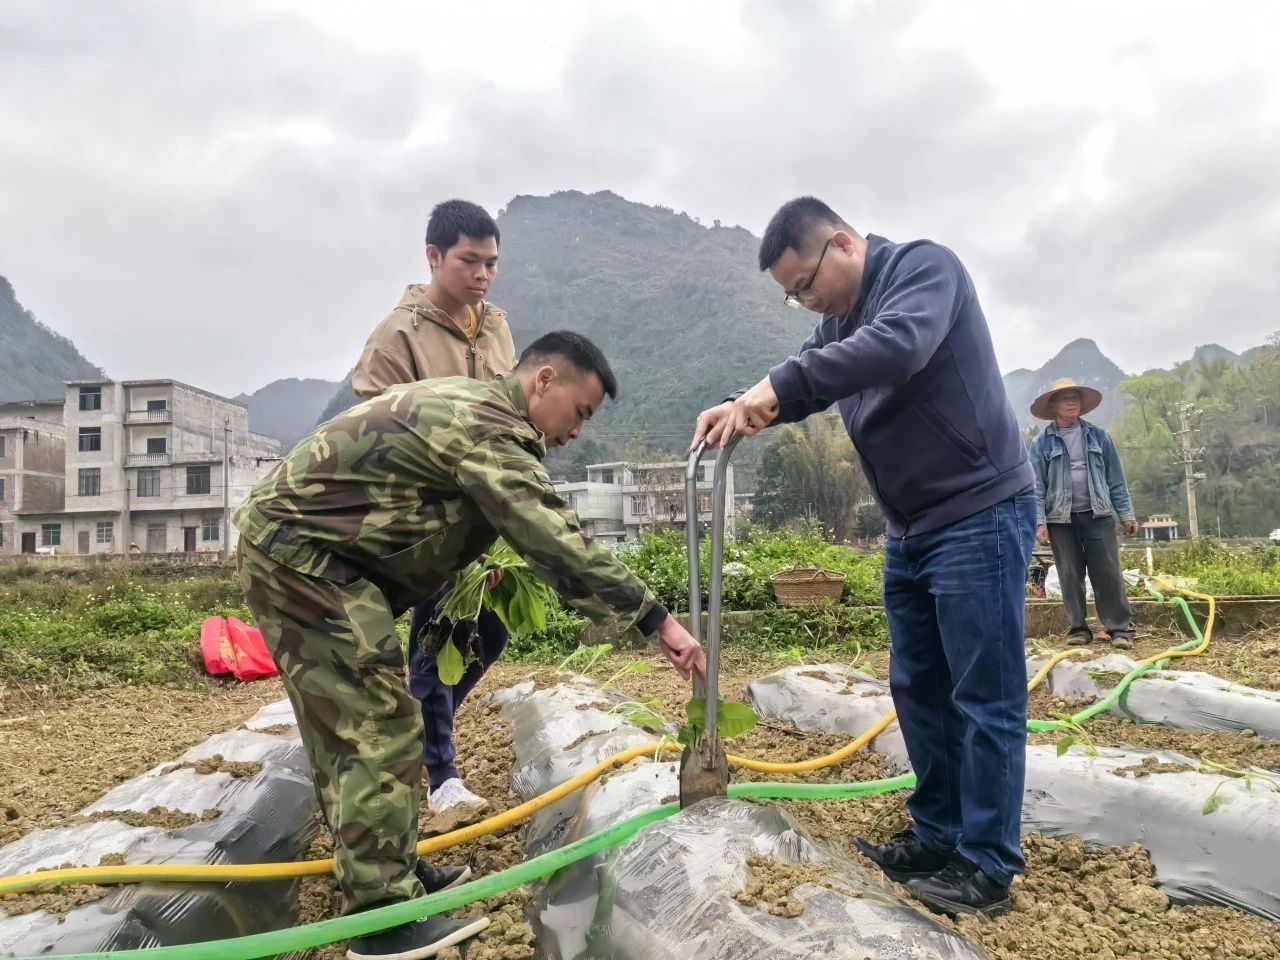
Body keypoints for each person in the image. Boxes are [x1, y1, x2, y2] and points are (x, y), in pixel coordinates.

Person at [236, 332, 705, 960]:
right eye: (580, 412)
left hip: (314, 556)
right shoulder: (488, 426)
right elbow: (554, 538)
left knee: (355, 722)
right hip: (303, 559)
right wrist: (657, 620)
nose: (576, 433)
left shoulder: (479, 411)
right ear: (544, 380)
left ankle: (390, 871)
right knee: (376, 720)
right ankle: (379, 918)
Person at [692, 197, 1035, 918]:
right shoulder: (836, 327)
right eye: (793, 295)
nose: (804, 301)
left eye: (805, 284)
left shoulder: (922, 271)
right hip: (909, 530)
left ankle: (986, 865)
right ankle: (937, 834)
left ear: (843, 245)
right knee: (918, 688)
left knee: (983, 693)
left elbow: (899, 347)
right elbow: (811, 367)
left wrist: (778, 389)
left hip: (978, 510)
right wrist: (742, 404)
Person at [351, 199, 517, 817]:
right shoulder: (398, 335)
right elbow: (372, 424)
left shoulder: (496, 326)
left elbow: (508, 413)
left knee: (490, 632)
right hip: (424, 514)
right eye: (469, 261)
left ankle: (422, 734)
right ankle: (442, 772)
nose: (482, 275)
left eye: (491, 263)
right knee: (438, 630)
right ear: (434, 257)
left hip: (486, 508)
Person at [1028, 378, 1138, 648]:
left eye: (1075, 397)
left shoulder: (1099, 437)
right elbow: (1035, 486)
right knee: (1069, 573)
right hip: (1060, 519)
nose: (1071, 401)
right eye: (1064, 397)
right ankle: (1078, 628)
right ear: (1053, 405)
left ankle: (1119, 629)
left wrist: (1127, 513)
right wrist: (1039, 522)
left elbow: (1116, 479)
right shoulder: (1042, 443)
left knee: (1108, 572)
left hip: (1097, 515)